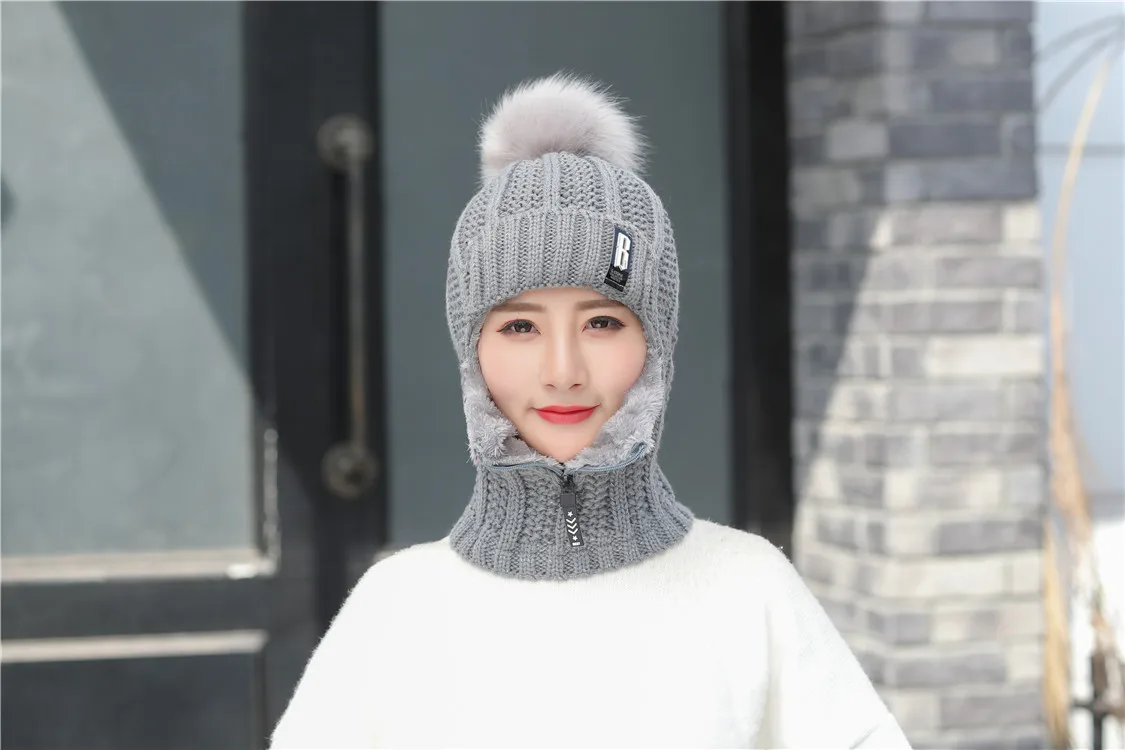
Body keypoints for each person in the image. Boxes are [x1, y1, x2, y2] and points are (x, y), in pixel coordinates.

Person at [270, 73, 912, 749]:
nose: (563, 370)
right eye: (520, 327)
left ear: (656, 343)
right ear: (470, 349)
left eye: (602, 323)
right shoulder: (396, 607)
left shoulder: (750, 589)